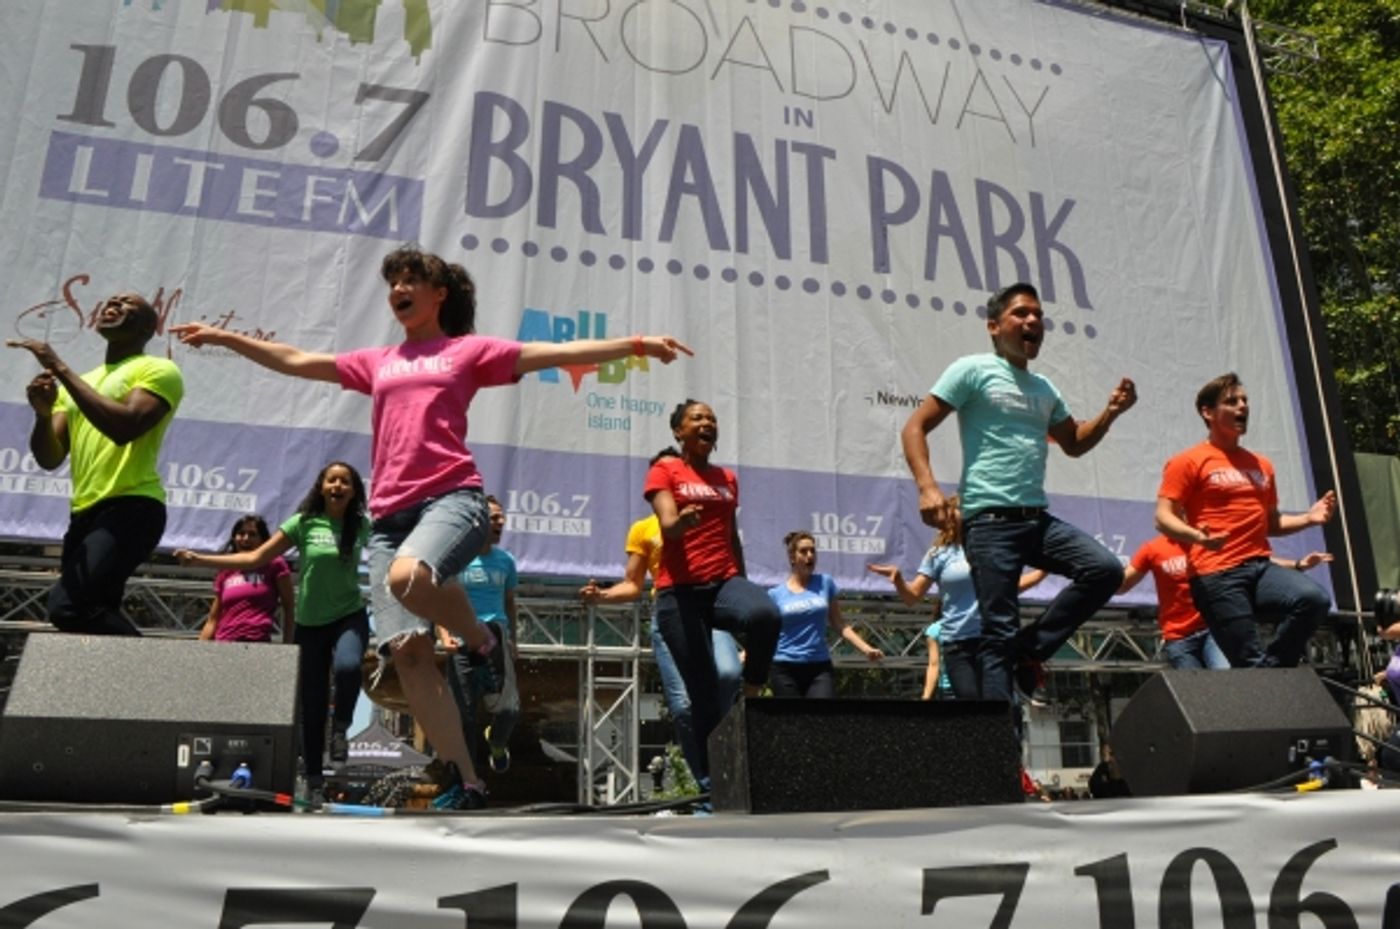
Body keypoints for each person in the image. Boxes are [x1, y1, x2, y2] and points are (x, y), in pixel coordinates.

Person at [172, 244, 690, 809]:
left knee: (406, 578)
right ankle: (467, 781)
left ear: (438, 293)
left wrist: (636, 345)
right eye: (392, 280)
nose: (397, 288)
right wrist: (227, 339)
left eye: (410, 279)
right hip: (390, 520)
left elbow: (555, 352)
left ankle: (482, 640)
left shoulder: (467, 352)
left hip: (452, 501)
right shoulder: (377, 362)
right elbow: (297, 360)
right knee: (412, 657)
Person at [901, 282, 1134, 705]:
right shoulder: (971, 370)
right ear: (994, 326)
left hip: (1036, 519)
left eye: (1038, 316)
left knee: (1104, 569)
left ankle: (1028, 651)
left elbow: (1075, 442)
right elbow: (914, 427)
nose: (1033, 321)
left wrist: (1111, 413)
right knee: (997, 633)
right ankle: (999, 755)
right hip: (988, 522)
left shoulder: (1045, 389)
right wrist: (927, 488)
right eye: (1021, 314)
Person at [177, 462, 370, 794]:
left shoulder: (362, 525)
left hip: (349, 613)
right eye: (332, 480)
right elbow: (255, 558)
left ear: (354, 491)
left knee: (349, 666)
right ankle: (313, 779)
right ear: (321, 487)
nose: (338, 486)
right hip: (312, 622)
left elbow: (396, 546)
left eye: (346, 482)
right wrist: (201, 560)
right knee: (311, 704)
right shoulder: (303, 523)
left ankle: (340, 729)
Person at [8, 293, 183, 636]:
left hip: (132, 506)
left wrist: (59, 367)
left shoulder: (159, 369)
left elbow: (125, 427)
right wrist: (42, 416)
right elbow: (50, 457)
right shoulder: (82, 383)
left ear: (150, 326)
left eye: (126, 303)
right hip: (83, 514)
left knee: (68, 607)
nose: (112, 303)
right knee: (90, 621)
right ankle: (133, 686)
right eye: (108, 301)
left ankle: (161, 672)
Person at [579, 447, 742, 783]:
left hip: (711, 610)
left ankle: (723, 746)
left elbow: (733, 561)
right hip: (673, 616)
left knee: (727, 674)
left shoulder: (710, 512)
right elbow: (632, 584)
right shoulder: (642, 529)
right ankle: (707, 785)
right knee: (683, 706)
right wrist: (601, 596)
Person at [1155, 372, 1336, 668]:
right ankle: (1263, 677)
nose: (1242, 406)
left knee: (1313, 600)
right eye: (1232, 401)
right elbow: (1163, 517)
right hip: (1216, 575)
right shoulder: (1187, 461)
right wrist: (1197, 536)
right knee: (1247, 661)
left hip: (1260, 568)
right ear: (1208, 412)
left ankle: (1272, 671)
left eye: (1245, 400)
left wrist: (1309, 518)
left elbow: (1272, 524)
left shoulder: (1261, 465)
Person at [644, 399, 781, 786]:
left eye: (712, 419)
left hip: (722, 583)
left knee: (765, 615)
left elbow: (729, 534)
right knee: (702, 696)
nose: (707, 423)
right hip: (679, 596)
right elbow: (668, 524)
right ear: (678, 431)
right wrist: (682, 521)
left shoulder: (727, 478)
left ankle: (751, 692)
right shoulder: (664, 469)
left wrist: (743, 581)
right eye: (697, 418)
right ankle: (710, 786)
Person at [869, 497, 1044, 701]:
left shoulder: (991, 548)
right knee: (971, 707)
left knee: (998, 707)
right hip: (957, 645)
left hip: (992, 640)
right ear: (952, 516)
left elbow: (1008, 587)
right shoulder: (938, 554)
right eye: (965, 509)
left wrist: (1042, 572)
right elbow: (912, 597)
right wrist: (898, 580)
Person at [1121, 534, 1333, 670]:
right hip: (1178, 636)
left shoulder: (1214, 543)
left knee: (1227, 684)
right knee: (1195, 699)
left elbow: (1258, 564)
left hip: (1216, 628)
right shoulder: (1152, 548)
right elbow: (1123, 584)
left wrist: (1298, 564)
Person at [438, 495, 520, 776]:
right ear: (478, 521)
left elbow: (509, 602)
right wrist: (444, 634)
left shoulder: (506, 561)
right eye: (494, 517)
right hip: (461, 640)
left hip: (496, 638)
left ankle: (497, 744)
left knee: (509, 711)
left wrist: (513, 639)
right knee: (464, 715)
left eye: (502, 517)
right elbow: (440, 599)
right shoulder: (457, 559)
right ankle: (468, 782)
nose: (501, 522)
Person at [767, 531, 882, 698]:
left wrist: (866, 649)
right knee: (790, 723)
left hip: (819, 667)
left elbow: (840, 624)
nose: (810, 556)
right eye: (804, 551)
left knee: (822, 721)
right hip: (784, 668)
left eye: (813, 551)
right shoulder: (775, 594)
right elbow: (768, 633)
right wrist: (749, 652)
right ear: (792, 557)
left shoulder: (825, 583)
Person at [198, 514, 295, 643]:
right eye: (241, 533)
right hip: (224, 643)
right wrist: (197, 653)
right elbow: (212, 620)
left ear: (263, 540)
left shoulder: (274, 564)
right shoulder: (226, 570)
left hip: (257, 644)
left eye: (252, 534)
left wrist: (288, 645)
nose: (245, 538)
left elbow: (289, 607)